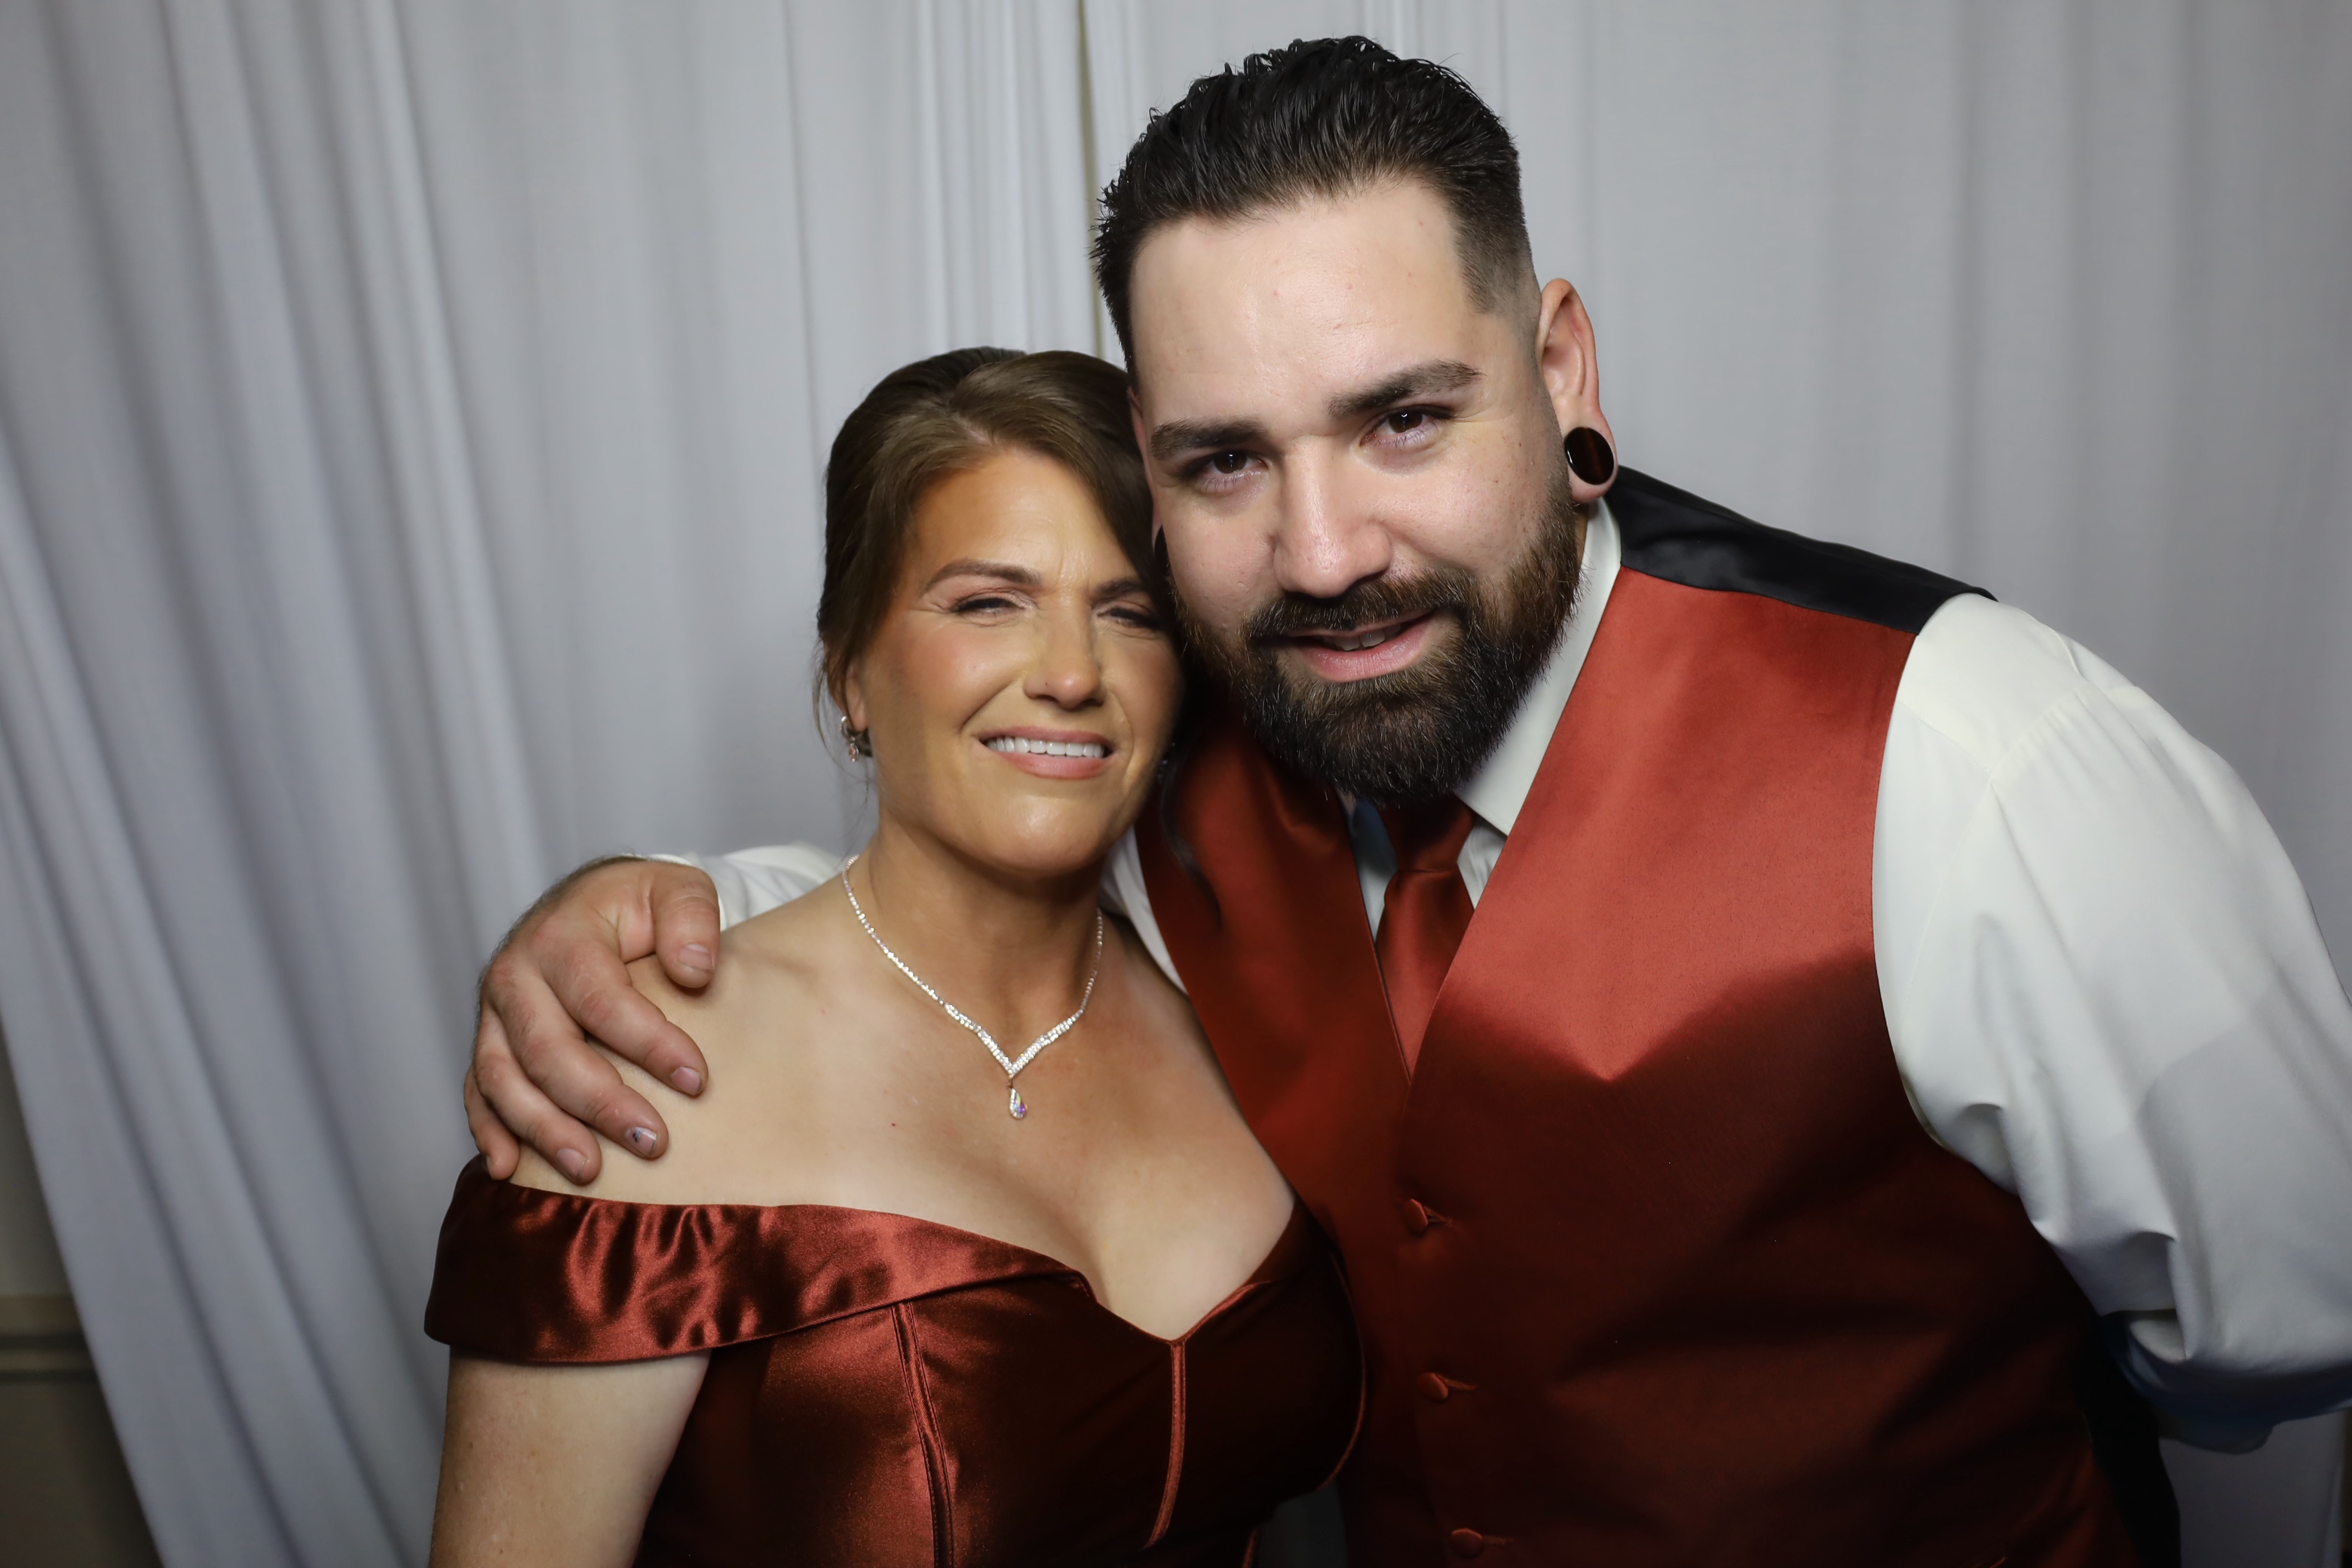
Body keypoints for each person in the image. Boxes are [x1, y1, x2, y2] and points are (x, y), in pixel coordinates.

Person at [464, 39, 2352, 1568]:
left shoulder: (1970, 750)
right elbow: (977, 890)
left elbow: (2280, 1318)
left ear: (1560, 366)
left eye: (1403, 418)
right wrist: (655, 905)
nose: (1323, 551)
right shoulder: (1194, 732)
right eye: (1225, 460)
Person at [425, 348, 1361, 1566]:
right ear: (851, 673)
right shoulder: (637, 1060)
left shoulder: (1241, 1010)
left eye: (1129, 612)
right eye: (987, 602)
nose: (1071, 673)